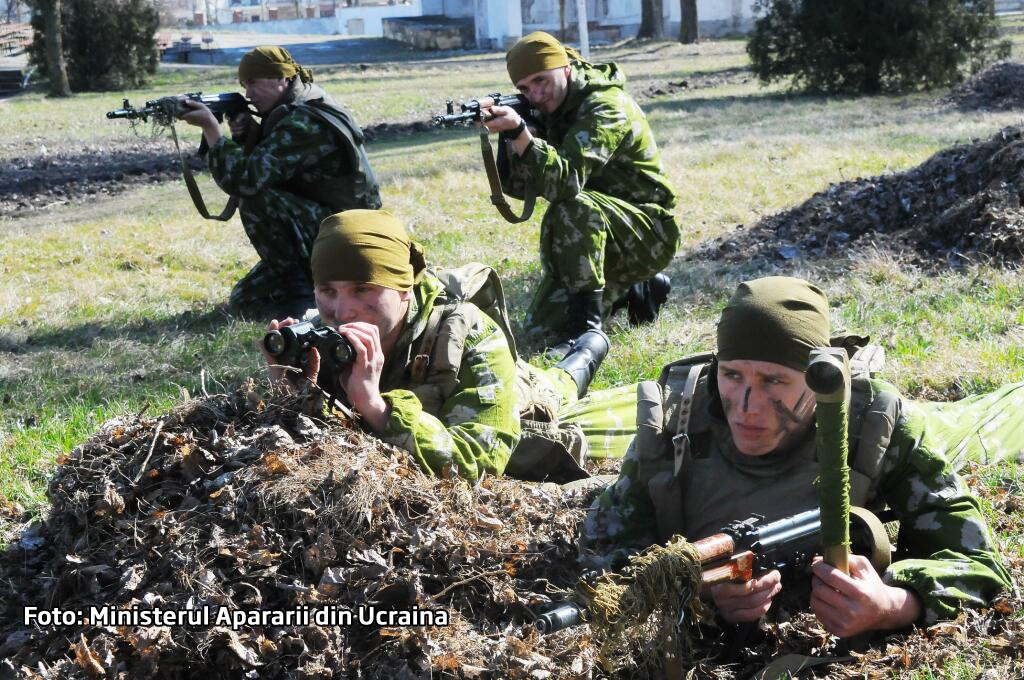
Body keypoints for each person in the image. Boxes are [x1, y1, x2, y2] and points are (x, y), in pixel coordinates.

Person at [583, 276, 1017, 639]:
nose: (747, 404)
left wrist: (893, 605)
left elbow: (983, 570)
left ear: (816, 382)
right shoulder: (675, 421)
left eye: (774, 380)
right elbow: (604, 552)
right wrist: (700, 591)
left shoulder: (874, 427)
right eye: (732, 375)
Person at [262, 209, 638, 482]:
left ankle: (589, 346)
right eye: (328, 291)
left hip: (522, 394)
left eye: (364, 289)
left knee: (558, 384)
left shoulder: (469, 335)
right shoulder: (322, 336)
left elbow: (480, 459)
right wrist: (288, 389)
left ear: (405, 288)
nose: (342, 311)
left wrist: (376, 406)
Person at [482, 31, 681, 358]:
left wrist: (521, 133)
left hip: (648, 232)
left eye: (541, 81)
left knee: (571, 205)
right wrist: (514, 139)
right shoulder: (549, 109)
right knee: (538, 330)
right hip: (599, 231)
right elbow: (521, 188)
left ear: (565, 68)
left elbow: (565, 184)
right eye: (524, 89)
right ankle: (640, 289)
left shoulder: (605, 106)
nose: (536, 95)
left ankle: (584, 333)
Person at [180, 46, 382, 320]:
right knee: (245, 302)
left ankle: (302, 298)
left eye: (253, 83)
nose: (248, 94)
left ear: (281, 78)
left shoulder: (303, 121)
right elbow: (278, 166)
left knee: (255, 197)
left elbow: (247, 180)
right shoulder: (298, 105)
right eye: (244, 85)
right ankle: (315, 286)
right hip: (330, 226)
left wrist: (212, 131)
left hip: (349, 238)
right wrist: (248, 135)